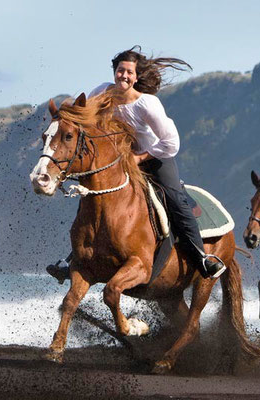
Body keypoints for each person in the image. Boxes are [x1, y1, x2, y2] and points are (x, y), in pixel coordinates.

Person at [47, 46, 225, 281]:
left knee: (175, 199)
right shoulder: (101, 92)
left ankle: (202, 258)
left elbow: (171, 142)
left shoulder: (147, 104)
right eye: (121, 71)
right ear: (115, 72)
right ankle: (73, 260)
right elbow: (85, 122)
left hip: (155, 158)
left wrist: (140, 158)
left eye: (129, 72)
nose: (124, 76)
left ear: (136, 76)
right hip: (120, 162)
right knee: (93, 197)